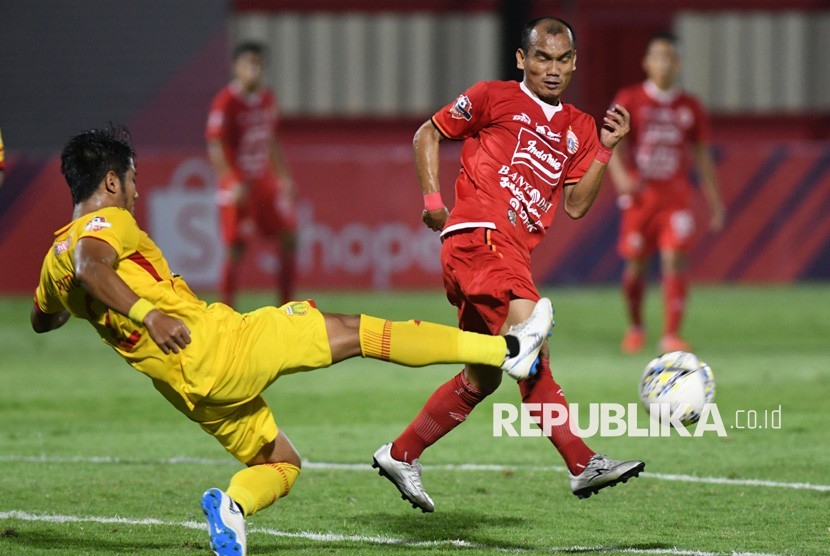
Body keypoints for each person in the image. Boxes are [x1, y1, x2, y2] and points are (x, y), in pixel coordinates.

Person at [32, 125, 553, 555]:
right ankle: (507, 350)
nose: (138, 191)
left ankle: (232, 508)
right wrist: (147, 315)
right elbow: (92, 265)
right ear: (110, 181)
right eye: (133, 179)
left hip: (190, 389)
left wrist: (78, 307)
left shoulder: (53, 261)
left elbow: (42, 317)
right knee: (360, 332)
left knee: (281, 461)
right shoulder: (107, 224)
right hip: (219, 344)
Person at [371, 17, 645, 513]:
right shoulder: (492, 97)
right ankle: (583, 463)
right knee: (533, 326)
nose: (553, 69)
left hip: (509, 252)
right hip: (480, 238)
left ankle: (400, 453)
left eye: (563, 60)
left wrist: (605, 148)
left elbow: (578, 206)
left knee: (484, 377)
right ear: (522, 59)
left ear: (575, 62)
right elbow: (426, 134)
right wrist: (433, 198)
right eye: (542, 58)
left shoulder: (580, 128)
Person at [606, 32, 726, 354]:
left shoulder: (690, 107)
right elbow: (609, 144)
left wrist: (715, 201)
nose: (665, 62)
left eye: (671, 56)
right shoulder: (630, 99)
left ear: (679, 63)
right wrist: (622, 180)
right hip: (640, 201)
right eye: (659, 56)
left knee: (674, 259)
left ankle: (671, 334)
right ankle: (635, 326)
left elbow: (701, 155)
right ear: (646, 62)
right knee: (636, 268)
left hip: (676, 200)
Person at [206, 41, 297, 308]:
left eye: (258, 64)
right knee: (236, 248)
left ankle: (287, 307)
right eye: (248, 64)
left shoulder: (268, 99)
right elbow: (216, 145)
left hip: (263, 183)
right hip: (238, 185)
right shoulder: (225, 102)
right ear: (236, 67)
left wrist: (283, 177)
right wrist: (231, 180)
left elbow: (271, 140)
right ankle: (226, 310)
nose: (254, 70)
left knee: (290, 236)